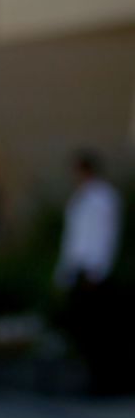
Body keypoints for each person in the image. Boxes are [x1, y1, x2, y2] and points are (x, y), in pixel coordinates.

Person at [55, 150, 124, 394]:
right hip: (78, 271)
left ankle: (105, 382)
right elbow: (73, 239)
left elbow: (106, 237)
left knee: (99, 332)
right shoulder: (80, 199)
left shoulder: (103, 198)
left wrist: (97, 270)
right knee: (82, 331)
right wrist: (64, 272)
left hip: (94, 273)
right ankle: (90, 379)